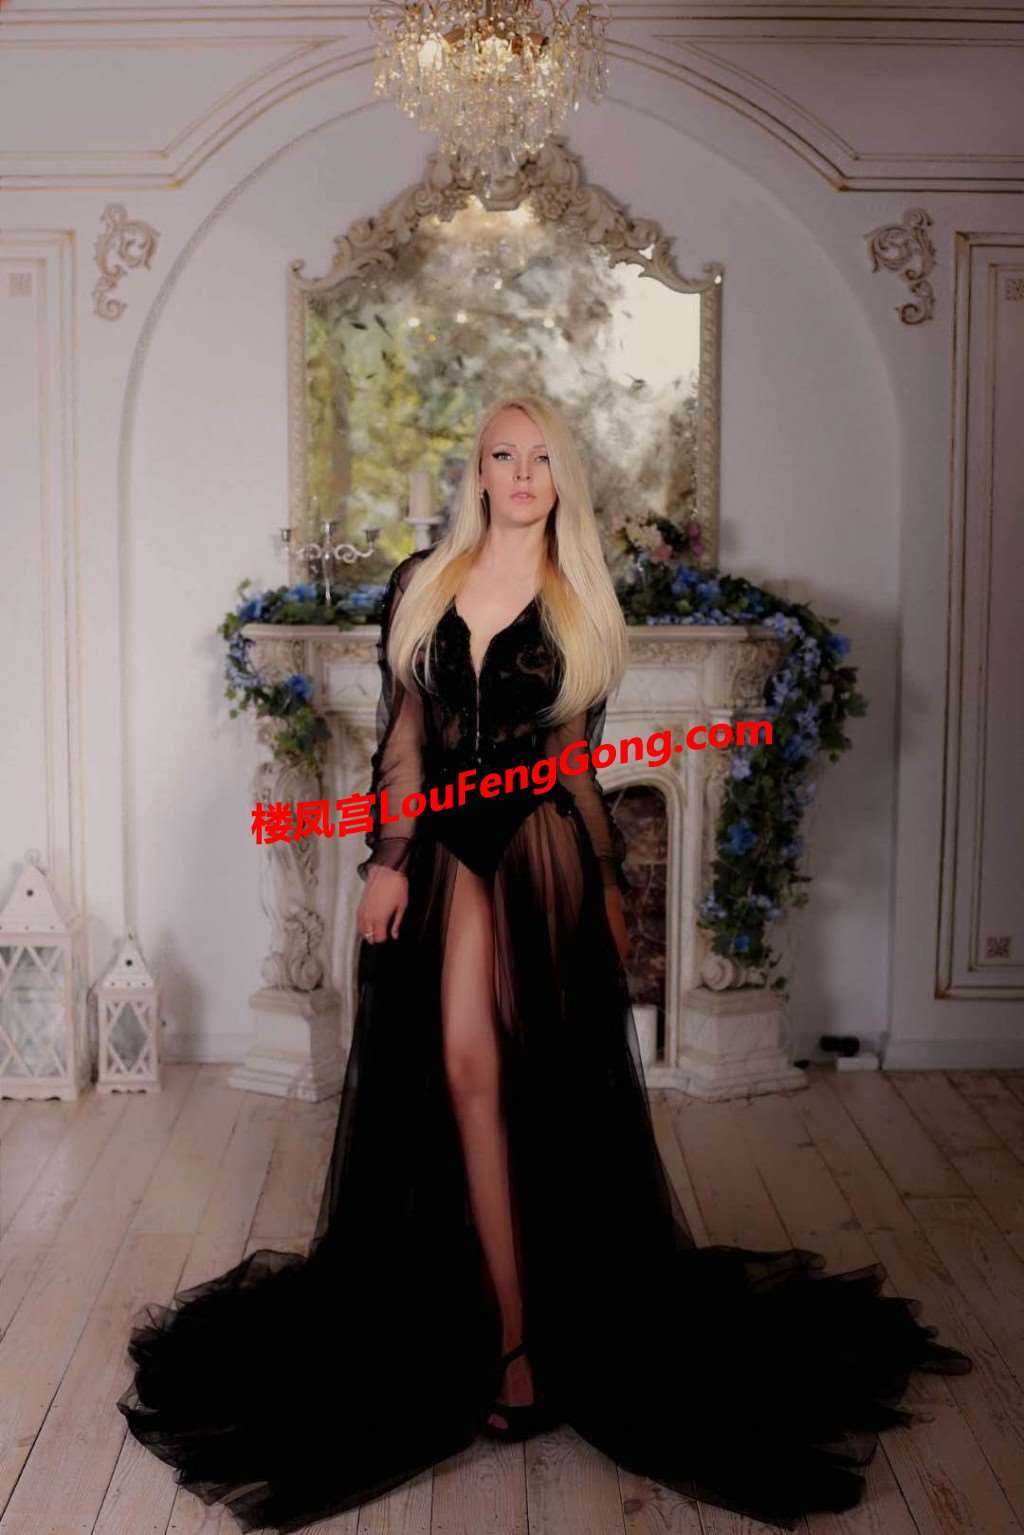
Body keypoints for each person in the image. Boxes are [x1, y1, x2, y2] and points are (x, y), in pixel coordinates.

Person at [117, 394, 972, 1534]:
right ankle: (503, 1321)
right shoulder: (423, 582)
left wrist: (609, 884)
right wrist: (387, 860)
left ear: (561, 478)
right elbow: (405, 736)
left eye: (538, 459)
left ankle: (533, 1326)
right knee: (462, 1071)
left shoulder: (577, 598)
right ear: (477, 472)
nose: (520, 474)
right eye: (501, 456)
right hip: (444, 849)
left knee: (536, 1083)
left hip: (538, 846)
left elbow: (575, 762)